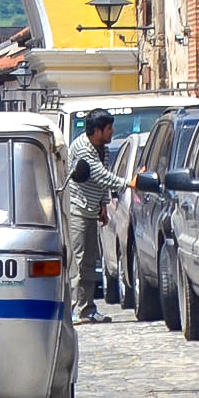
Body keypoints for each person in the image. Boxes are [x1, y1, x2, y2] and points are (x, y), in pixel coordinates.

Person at [66, 109, 126, 324]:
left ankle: (88, 308)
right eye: (109, 128)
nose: (112, 132)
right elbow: (99, 174)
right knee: (79, 261)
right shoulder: (83, 147)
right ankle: (76, 309)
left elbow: (101, 175)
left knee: (90, 261)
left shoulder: (102, 149)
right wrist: (127, 183)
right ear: (98, 130)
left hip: (91, 209)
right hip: (77, 210)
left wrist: (103, 203)